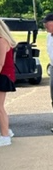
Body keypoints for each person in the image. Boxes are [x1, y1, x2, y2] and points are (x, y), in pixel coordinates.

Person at [0, 19, 17, 147]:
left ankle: (5, 136)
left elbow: (0, 63)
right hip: (5, 75)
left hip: (3, 76)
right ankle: (7, 132)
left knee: (0, 108)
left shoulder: (2, 41)